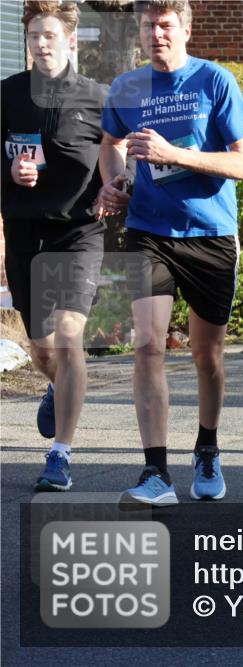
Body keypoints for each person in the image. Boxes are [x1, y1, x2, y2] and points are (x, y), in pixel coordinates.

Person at [96, 0, 243, 505]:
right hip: (149, 230)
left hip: (210, 234)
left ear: (185, 29)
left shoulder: (215, 81)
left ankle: (207, 448)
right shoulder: (126, 87)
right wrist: (114, 182)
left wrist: (175, 154)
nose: (156, 34)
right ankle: (155, 473)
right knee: (147, 344)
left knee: (206, 356)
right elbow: (111, 143)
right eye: (148, 26)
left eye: (166, 25)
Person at [2, 1, 108, 492]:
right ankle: (55, 386)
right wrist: (9, 171)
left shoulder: (97, 98)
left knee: (69, 339)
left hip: (78, 232)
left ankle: (60, 454)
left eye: (49, 35)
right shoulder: (7, 96)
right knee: (43, 351)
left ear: (70, 39)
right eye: (33, 36)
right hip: (25, 234)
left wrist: (117, 184)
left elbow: (117, 155)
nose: (41, 44)